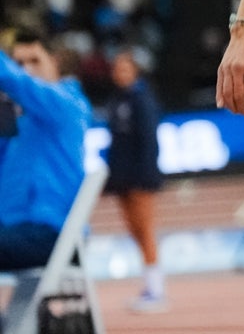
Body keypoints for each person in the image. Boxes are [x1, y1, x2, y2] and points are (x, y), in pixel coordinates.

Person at [0, 29, 92, 271]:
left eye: (35, 61)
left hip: (51, 232)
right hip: (15, 227)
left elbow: (18, 82)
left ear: (55, 62)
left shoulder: (67, 103)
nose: (27, 70)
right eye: (19, 63)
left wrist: (9, 73)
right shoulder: (18, 118)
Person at [105, 47, 168, 313]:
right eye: (117, 69)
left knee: (144, 229)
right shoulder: (118, 100)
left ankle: (156, 290)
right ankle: (149, 286)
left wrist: (145, 175)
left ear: (135, 71)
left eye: (125, 69)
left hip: (139, 177)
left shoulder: (142, 100)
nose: (119, 74)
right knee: (134, 231)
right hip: (122, 178)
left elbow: (148, 142)